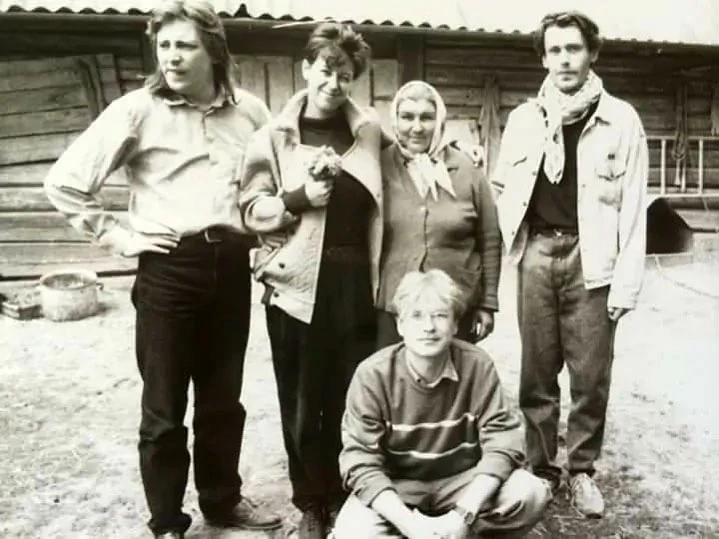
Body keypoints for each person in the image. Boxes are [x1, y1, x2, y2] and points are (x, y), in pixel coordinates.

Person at [44, 1, 281, 537]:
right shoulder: (136, 110)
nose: (171, 56)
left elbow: (272, 181)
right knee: (164, 407)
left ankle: (222, 501)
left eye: (185, 45)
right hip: (169, 270)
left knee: (223, 401)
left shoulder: (251, 112)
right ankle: (167, 521)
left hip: (232, 266)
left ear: (213, 51)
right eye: (165, 45)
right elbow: (65, 182)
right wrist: (120, 237)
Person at [491, 11, 648, 518]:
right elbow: (501, 187)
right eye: (554, 50)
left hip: (592, 257)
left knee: (590, 375)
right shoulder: (524, 120)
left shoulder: (620, 120)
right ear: (543, 58)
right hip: (536, 253)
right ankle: (540, 470)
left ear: (592, 54)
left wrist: (626, 284)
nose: (564, 59)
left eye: (573, 49)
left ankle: (581, 471)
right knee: (536, 373)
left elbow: (633, 206)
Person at [238, 22, 382, 539]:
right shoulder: (273, 136)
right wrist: (299, 198)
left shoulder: (370, 133)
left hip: (357, 284)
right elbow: (250, 209)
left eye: (345, 75)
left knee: (352, 394)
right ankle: (311, 501)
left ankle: (349, 493)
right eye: (325, 70)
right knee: (302, 399)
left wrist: (459, 157)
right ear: (306, 68)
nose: (334, 83)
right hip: (296, 287)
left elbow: (411, 162)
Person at [333, 269, 551, 538]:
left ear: (455, 324)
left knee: (530, 493)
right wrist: (410, 525)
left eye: (440, 315)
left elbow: (503, 443)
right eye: (416, 316)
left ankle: (460, 533)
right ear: (400, 325)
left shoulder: (477, 365)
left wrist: (463, 514)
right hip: (399, 486)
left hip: (462, 480)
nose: (429, 327)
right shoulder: (372, 375)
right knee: (352, 533)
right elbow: (360, 461)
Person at [376, 81, 501, 348]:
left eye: (426, 118)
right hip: (394, 305)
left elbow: (490, 238)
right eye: (407, 117)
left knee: (454, 370)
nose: (417, 127)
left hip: (456, 305)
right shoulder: (379, 166)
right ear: (395, 120)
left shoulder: (467, 169)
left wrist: (488, 303)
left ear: (440, 120)